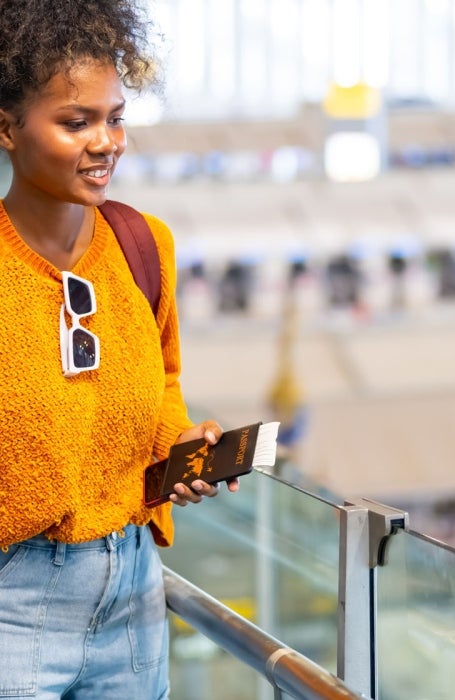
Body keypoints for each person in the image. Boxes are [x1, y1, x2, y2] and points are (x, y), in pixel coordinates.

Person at [0, 1, 236, 696]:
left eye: (116, 117)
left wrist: (181, 445)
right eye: (76, 123)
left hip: (134, 593)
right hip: (13, 598)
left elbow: (162, 380)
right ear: (7, 127)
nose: (106, 141)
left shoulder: (143, 244)